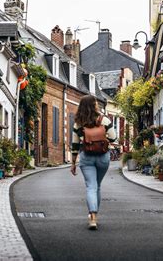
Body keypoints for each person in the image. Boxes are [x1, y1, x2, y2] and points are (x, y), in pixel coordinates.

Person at [70, 95, 116, 230]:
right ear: (94, 105)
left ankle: (92, 217)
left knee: (91, 186)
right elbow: (113, 138)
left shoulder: (78, 123)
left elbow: (75, 145)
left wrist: (73, 163)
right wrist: (104, 137)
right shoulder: (105, 120)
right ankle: (95, 215)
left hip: (86, 157)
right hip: (103, 157)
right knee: (98, 186)